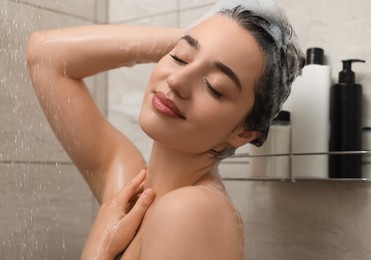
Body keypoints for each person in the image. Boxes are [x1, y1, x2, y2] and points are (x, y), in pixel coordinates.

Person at [27, 1, 304, 258]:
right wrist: (198, 34)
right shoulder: (132, 193)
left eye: (214, 86)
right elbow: (46, 55)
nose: (177, 81)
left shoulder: (188, 211)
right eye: (181, 57)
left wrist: (98, 249)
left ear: (242, 133)